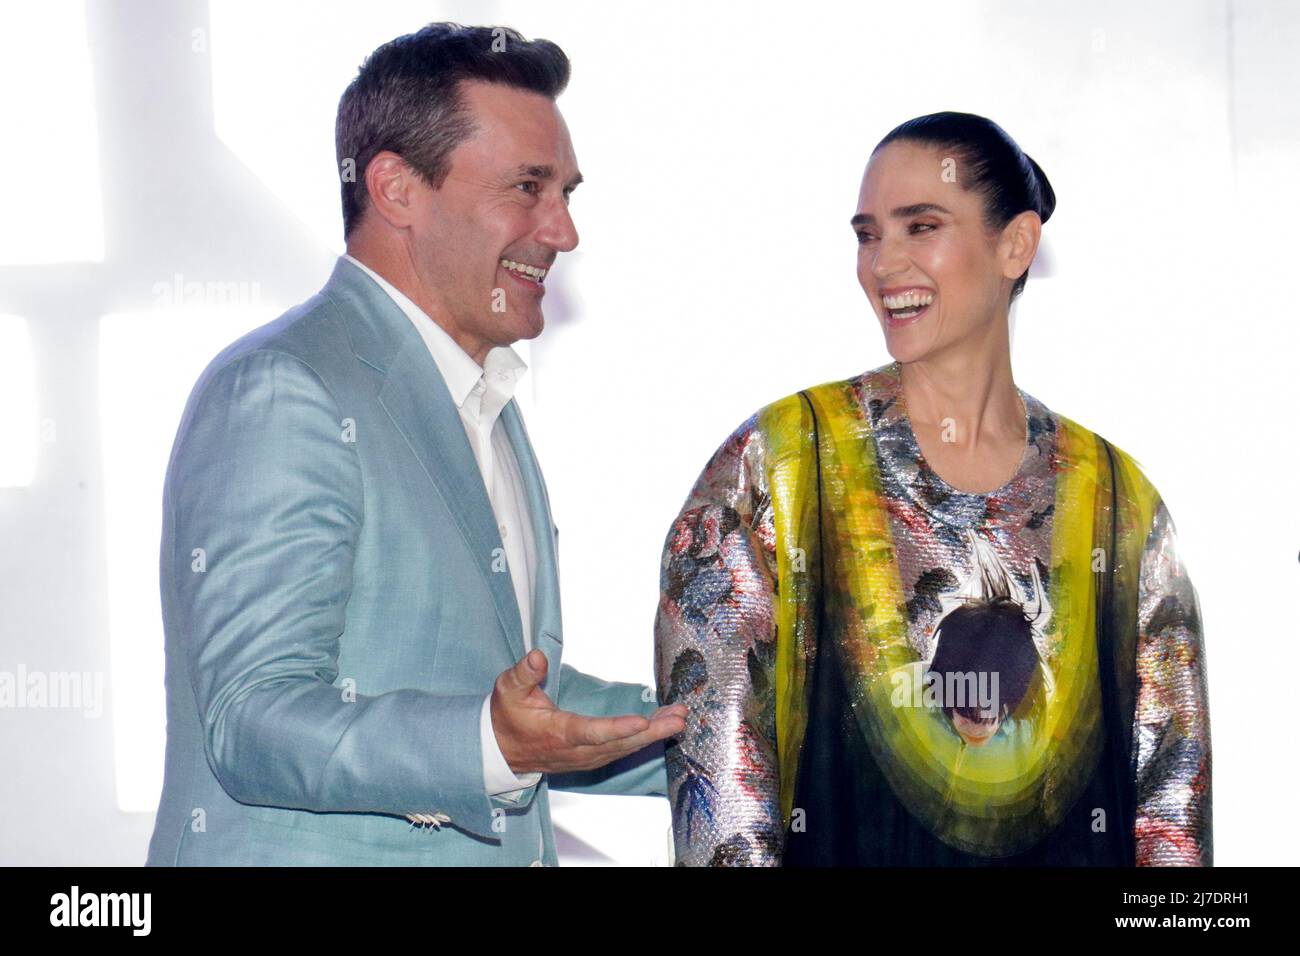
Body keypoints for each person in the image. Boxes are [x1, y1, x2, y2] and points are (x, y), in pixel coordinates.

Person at [146, 22, 686, 867]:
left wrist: (749, 737)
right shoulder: (285, 389)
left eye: (568, 193)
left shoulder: (484, 399)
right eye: (529, 187)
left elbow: (521, 707)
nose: (565, 230)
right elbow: (251, 717)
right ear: (397, 188)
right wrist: (489, 742)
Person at [654, 111, 1211, 866]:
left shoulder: (1115, 501)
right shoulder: (777, 471)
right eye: (867, 234)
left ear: (1015, 244)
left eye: (921, 227)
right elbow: (719, 805)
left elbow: (1171, 804)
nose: (884, 264)